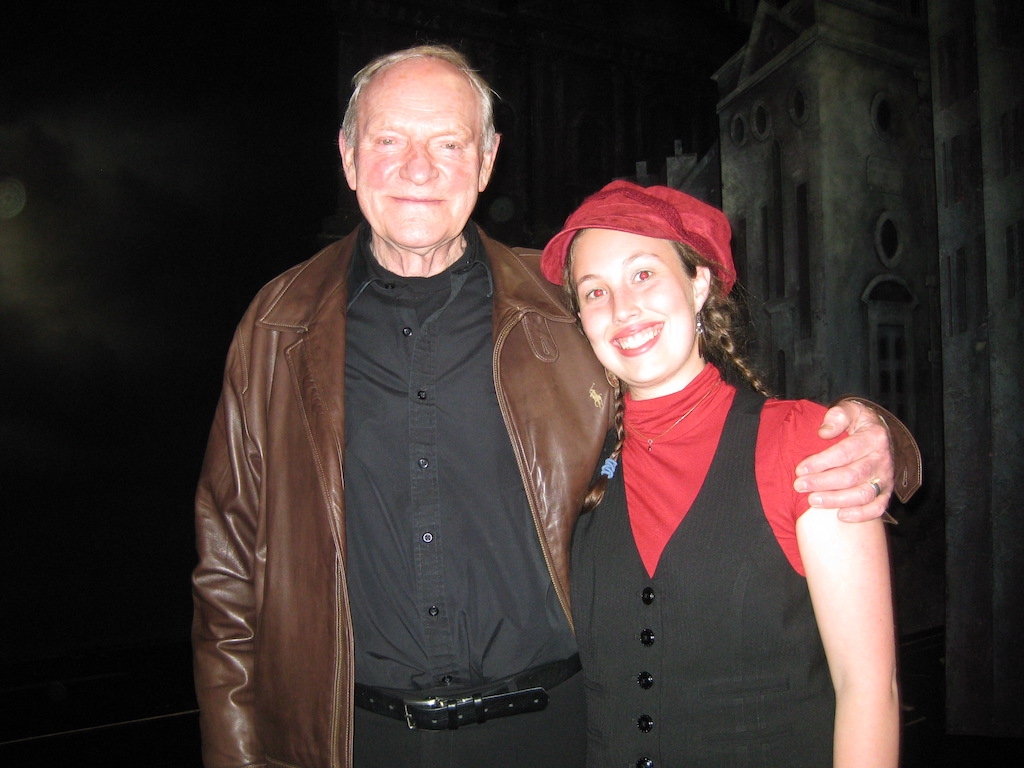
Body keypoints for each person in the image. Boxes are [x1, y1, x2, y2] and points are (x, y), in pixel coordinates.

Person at [191, 46, 916, 768]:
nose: (419, 168)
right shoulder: (279, 327)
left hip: (557, 735)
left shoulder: (562, 312)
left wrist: (880, 438)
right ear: (348, 157)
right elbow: (227, 567)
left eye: (448, 143)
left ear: (486, 161)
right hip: (353, 738)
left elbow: (699, 405)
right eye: (389, 141)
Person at [539, 179, 901, 767]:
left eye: (644, 274)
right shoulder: (573, 462)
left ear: (699, 282)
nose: (622, 308)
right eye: (595, 292)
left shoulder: (806, 443)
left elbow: (868, 691)